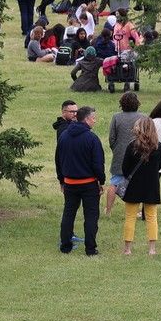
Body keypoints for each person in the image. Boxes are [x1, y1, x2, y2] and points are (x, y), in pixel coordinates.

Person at [56, 106, 105, 256]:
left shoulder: (64, 136)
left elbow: (58, 160)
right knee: (91, 216)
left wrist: (61, 180)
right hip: (89, 184)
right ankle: (90, 249)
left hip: (70, 183)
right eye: (93, 118)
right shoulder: (92, 138)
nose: (95, 121)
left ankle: (65, 246)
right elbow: (98, 164)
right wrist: (101, 181)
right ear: (86, 119)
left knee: (68, 213)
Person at [120, 117, 161, 256]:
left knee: (130, 217)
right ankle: (152, 249)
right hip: (151, 185)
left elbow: (125, 168)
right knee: (152, 217)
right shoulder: (158, 147)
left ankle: (127, 249)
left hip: (134, 185)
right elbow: (160, 166)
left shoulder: (132, 146)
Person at [105, 92, 145, 215]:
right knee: (138, 182)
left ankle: (108, 210)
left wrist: (116, 149)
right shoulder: (143, 117)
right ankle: (137, 210)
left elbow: (112, 138)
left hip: (120, 154)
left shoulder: (117, 117)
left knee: (114, 182)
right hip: (138, 154)